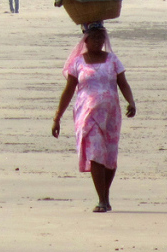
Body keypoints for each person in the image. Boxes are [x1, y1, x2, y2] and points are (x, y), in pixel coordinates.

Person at [52, 21, 137, 212]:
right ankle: (102, 200)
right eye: (95, 38)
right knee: (96, 154)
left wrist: (131, 102)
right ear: (86, 41)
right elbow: (68, 91)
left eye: (101, 38)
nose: (98, 41)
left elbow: (123, 83)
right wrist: (57, 118)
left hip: (111, 115)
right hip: (87, 115)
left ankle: (105, 195)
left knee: (110, 157)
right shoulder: (78, 62)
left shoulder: (112, 60)